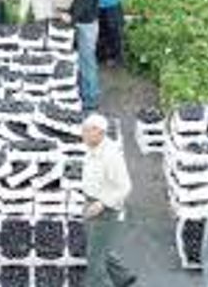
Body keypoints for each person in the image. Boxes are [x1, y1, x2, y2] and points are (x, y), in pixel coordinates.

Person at [82, 114, 136, 287]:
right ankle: (123, 277)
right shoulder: (94, 147)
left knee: (94, 257)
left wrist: (102, 203)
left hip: (104, 210)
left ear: (98, 132)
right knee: (99, 247)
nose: (82, 134)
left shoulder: (111, 155)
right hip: (91, 203)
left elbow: (125, 186)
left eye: (86, 131)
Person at [67, 0, 101, 110]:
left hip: (87, 26)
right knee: (84, 60)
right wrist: (70, 11)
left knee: (88, 62)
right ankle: (86, 93)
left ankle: (91, 98)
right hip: (88, 24)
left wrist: (72, 18)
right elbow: (79, 0)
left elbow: (85, 5)